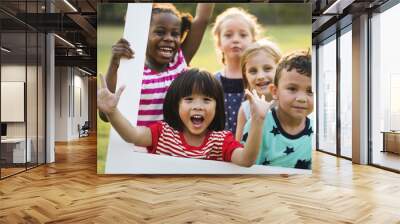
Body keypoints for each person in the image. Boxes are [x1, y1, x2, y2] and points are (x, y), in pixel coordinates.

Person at [98, 68, 275, 167]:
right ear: (176, 105)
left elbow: (246, 159)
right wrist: (112, 112)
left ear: (217, 106)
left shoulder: (221, 141)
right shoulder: (162, 133)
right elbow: (132, 135)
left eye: (206, 100)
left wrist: (258, 121)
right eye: (189, 99)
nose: (198, 106)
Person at [100, 3, 214, 126]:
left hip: (172, 145)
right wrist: (113, 65)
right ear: (144, 34)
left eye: (175, 34)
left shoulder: (179, 62)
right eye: (160, 32)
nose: (169, 38)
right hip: (137, 143)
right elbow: (105, 115)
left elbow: (203, 18)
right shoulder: (132, 69)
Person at [241, 50, 313, 169]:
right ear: (275, 91)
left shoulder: (317, 130)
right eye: (292, 88)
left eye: (310, 91)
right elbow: (245, 167)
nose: (301, 99)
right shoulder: (258, 124)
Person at [211, 7, 262, 134]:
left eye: (243, 35)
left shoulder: (260, 80)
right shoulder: (212, 81)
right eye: (228, 35)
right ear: (219, 42)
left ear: (253, 41)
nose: (236, 39)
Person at [235, 39, 282, 141]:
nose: (260, 76)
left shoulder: (287, 104)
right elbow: (238, 147)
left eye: (267, 69)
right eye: (253, 71)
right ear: (245, 75)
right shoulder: (246, 109)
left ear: (280, 70)